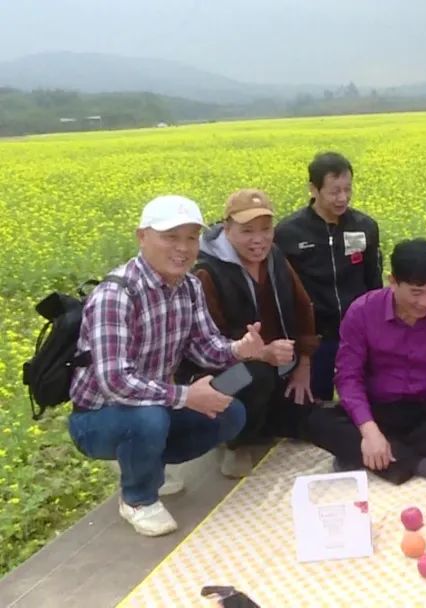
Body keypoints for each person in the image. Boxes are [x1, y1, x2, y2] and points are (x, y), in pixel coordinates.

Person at [67, 195, 270, 537]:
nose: (183, 248)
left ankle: (147, 461)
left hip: (155, 404)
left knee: (230, 413)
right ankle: (137, 499)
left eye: (191, 237)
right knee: (148, 418)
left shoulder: (189, 286)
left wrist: (239, 349)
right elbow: (115, 381)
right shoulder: (116, 294)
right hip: (98, 416)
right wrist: (186, 396)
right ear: (142, 237)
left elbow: (205, 346)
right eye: (170, 237)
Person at [304, 239, 426, 485]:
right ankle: (416, 463)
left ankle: (365, 456)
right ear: (393, 281)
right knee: (317, 421)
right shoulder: (362, 312)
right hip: (377, 409)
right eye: (416, 292)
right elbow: (348, 378)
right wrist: (369, 430)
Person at [186, 189, 320, 478]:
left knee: (304, 411)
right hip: (222, 375)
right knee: (255, 375)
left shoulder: (275, 257)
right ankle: (234, 442)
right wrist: (259, 353)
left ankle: (260, 424)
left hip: (278, 363)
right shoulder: (207, 272)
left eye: (265, 229)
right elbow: (209, 347)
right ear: (227, 228)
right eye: (247, 231)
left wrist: (304, 364)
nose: (258, 239)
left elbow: (303, 307)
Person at [275, 152, 382, 403]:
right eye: (334, 192)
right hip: (315, 340)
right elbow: (284, 294)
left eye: (347, 189)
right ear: (313, 189)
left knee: (365, 402)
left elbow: (374, 283)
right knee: (312, 405)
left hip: (357, 335)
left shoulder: (364, 226)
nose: (342, 198)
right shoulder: (289, 232)